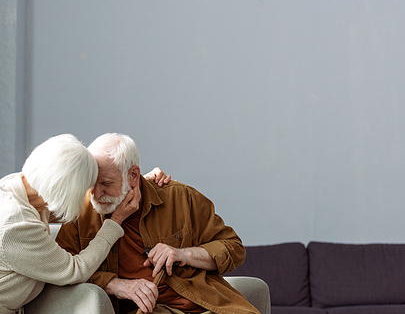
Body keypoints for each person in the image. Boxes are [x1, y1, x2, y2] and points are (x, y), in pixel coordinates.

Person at [0, 134, 170, 314]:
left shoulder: (24, 187)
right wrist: (116, 221)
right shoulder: (14, 225)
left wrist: (128, 184)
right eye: (87, 187)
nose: (92, 193)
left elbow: (61, 207)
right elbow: (75, 270)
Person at [56, 133, 259, 314]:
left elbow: (234, 249)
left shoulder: (180, 197)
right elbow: (61, 271)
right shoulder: (80, 212)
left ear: (133, 176)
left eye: (106, 184)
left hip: (208, 303)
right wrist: (114, 284)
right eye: (91, 182)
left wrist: (183, 254)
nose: (96, 193)